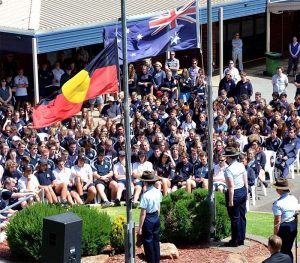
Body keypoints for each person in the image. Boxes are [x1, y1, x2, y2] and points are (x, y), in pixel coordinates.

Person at [223, 146, 248, 247]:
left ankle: (235, 241)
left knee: (234, 218)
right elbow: (245, 179)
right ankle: (241, 238)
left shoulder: (228, 170)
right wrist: (246, 191)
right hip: (242, 191)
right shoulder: (241, 165)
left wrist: (230, 200)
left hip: (235, 194)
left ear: (229, 158)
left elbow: (231, 186)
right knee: (242, 216)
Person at [138, 171, 162, 263]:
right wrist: (157, 218)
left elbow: (143, 213)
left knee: (148, 243)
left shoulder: (145, 195)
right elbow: (159, 207)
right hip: (156, 217)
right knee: (156, 241)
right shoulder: (158, 192)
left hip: (148, 219)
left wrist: (140, 228)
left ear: (146, 182)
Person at [272, 179, 299, 262]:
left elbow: (277, 221)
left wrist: (275, 236)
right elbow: (296, 213)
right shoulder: (293, 198)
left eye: (277, 188)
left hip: (284, 228)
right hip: (293, 226)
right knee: (288, 249)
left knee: (282, 251)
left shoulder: (278, 203)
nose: (276, 190)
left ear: (280, 189)